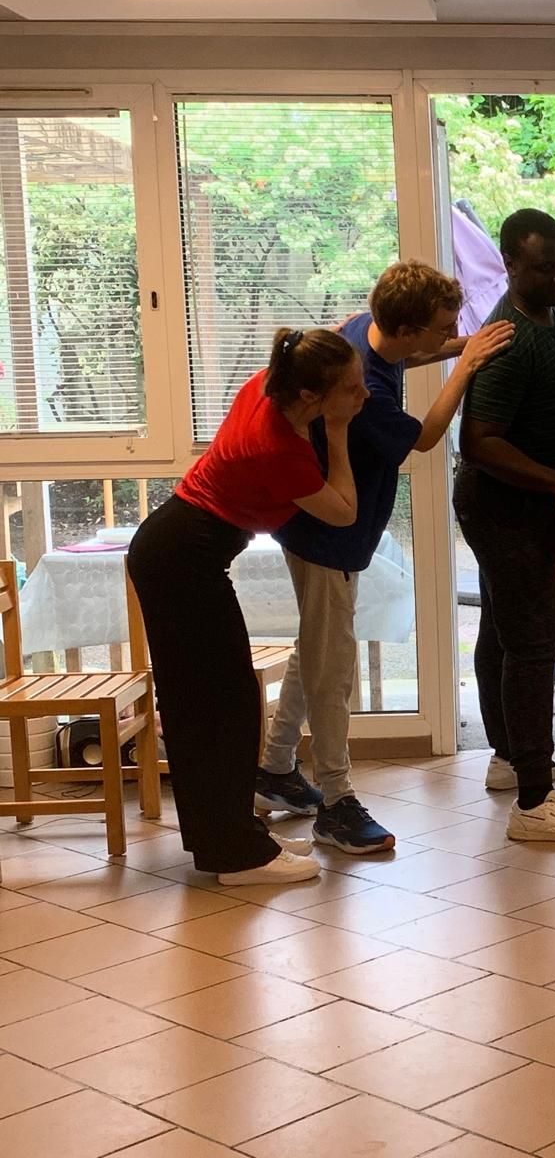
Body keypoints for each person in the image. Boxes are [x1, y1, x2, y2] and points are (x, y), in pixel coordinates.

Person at [257, 261, 513, 854]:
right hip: (326, 533)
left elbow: (409, 354)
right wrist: (466, 366)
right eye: (443, 328)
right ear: (406, 329)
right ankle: (336, 802)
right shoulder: (364, 389)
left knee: (316, 647)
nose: (452, 334)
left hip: (326, 529)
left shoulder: (362, 331)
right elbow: (424, 437)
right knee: (333, 667)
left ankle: (273, 769)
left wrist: (459, 346)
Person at [127, 329, 366, 885]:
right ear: (310, 396)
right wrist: (338, 430)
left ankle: (231, 835)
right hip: (182, 558)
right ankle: (234, 854)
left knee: (213, 703)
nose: (364, 395)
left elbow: (343, 331)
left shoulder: (271, 381)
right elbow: (344, 511)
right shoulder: (277, 449)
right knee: (219, 707)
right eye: (352, 389)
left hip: (179, 549)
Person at [456, 208, 555, 842]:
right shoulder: (507, 337)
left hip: (524, 507)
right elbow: (479, 442)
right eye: (545, 267)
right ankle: (534, 802)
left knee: (504, 632)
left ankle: (510, 759)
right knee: (533, 643)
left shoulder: (551, 318)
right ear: (510, 265)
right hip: (506, 509)